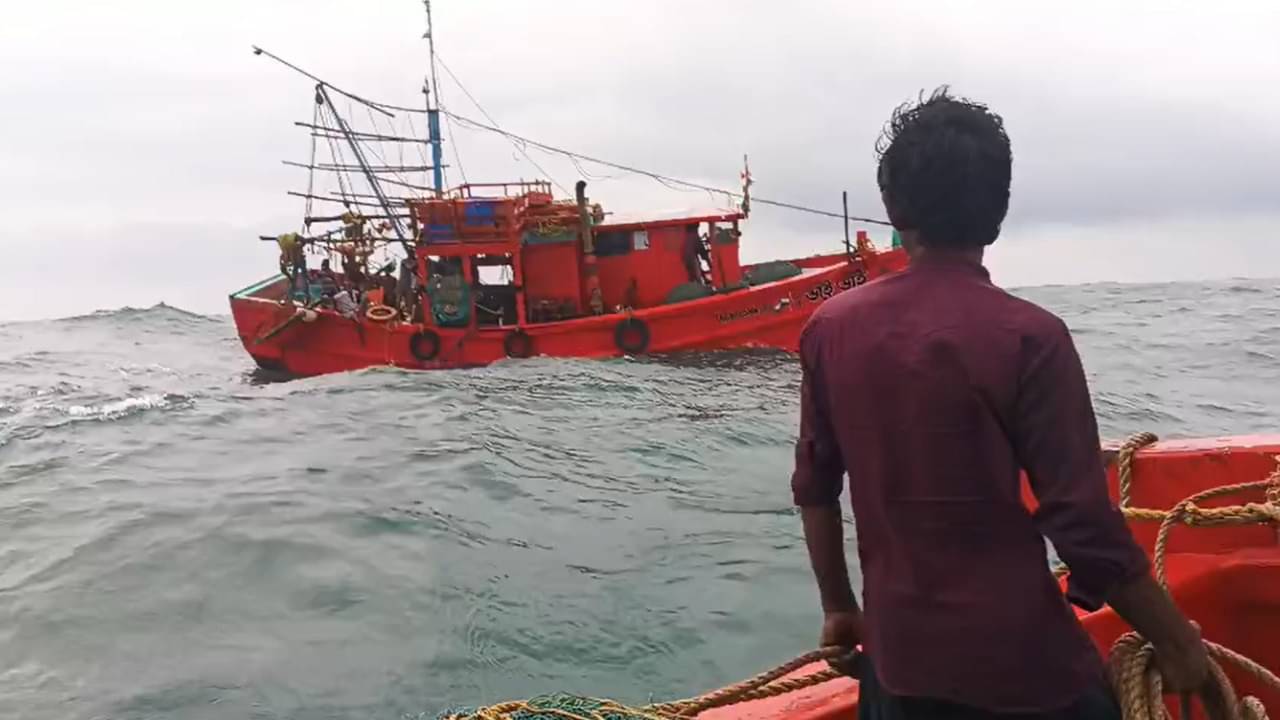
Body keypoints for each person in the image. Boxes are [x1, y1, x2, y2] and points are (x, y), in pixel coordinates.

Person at [791, 87, 1216, 720]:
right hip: (1024, 676)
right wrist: (1179, 643)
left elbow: (816, 488)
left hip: (897, 674)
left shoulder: (829, 329)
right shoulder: (1030, 337)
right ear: (999, 210)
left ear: (892, 206)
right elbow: (1083, 528)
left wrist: (838, 608)